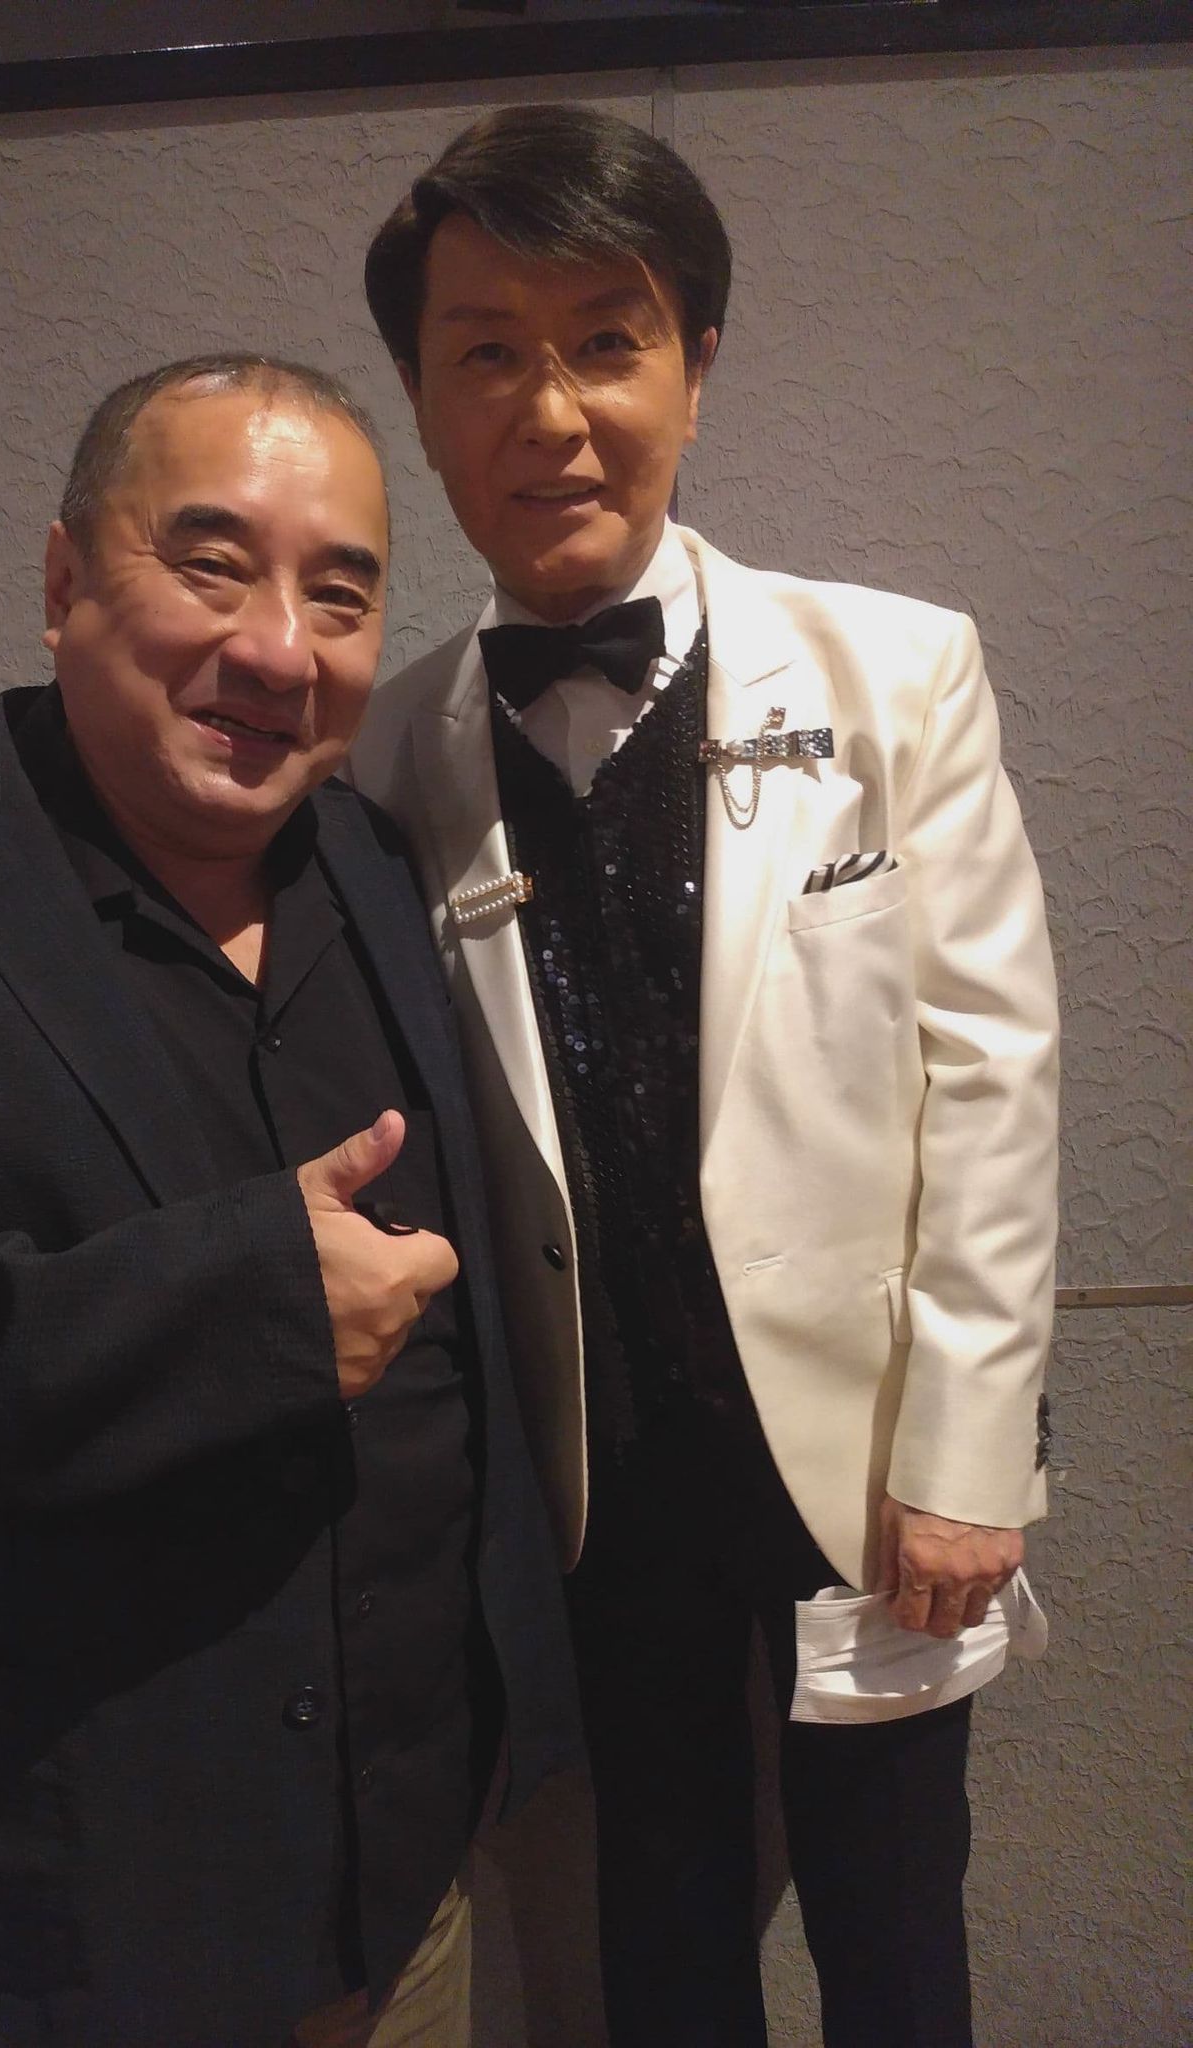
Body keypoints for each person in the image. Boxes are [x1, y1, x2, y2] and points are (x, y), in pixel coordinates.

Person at [0, 354, 582, 2048]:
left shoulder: (380, 866)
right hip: (84, 1923)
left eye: (341, 595)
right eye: (212, 564)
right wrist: (255, 1302)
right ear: (63, 584)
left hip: (405, 1884)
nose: (279, 648)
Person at [351, 105, 1059, 2048]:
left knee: (897, 1929)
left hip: (872, 1462)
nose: (553, 410)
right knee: (658, 1926)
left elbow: (994, 1073)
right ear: (423, 401)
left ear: (696, 364)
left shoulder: (898, 671)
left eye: (608, 339)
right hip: (596, 1476)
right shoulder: (391, 755)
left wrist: (967, 1458)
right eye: (487, 351)